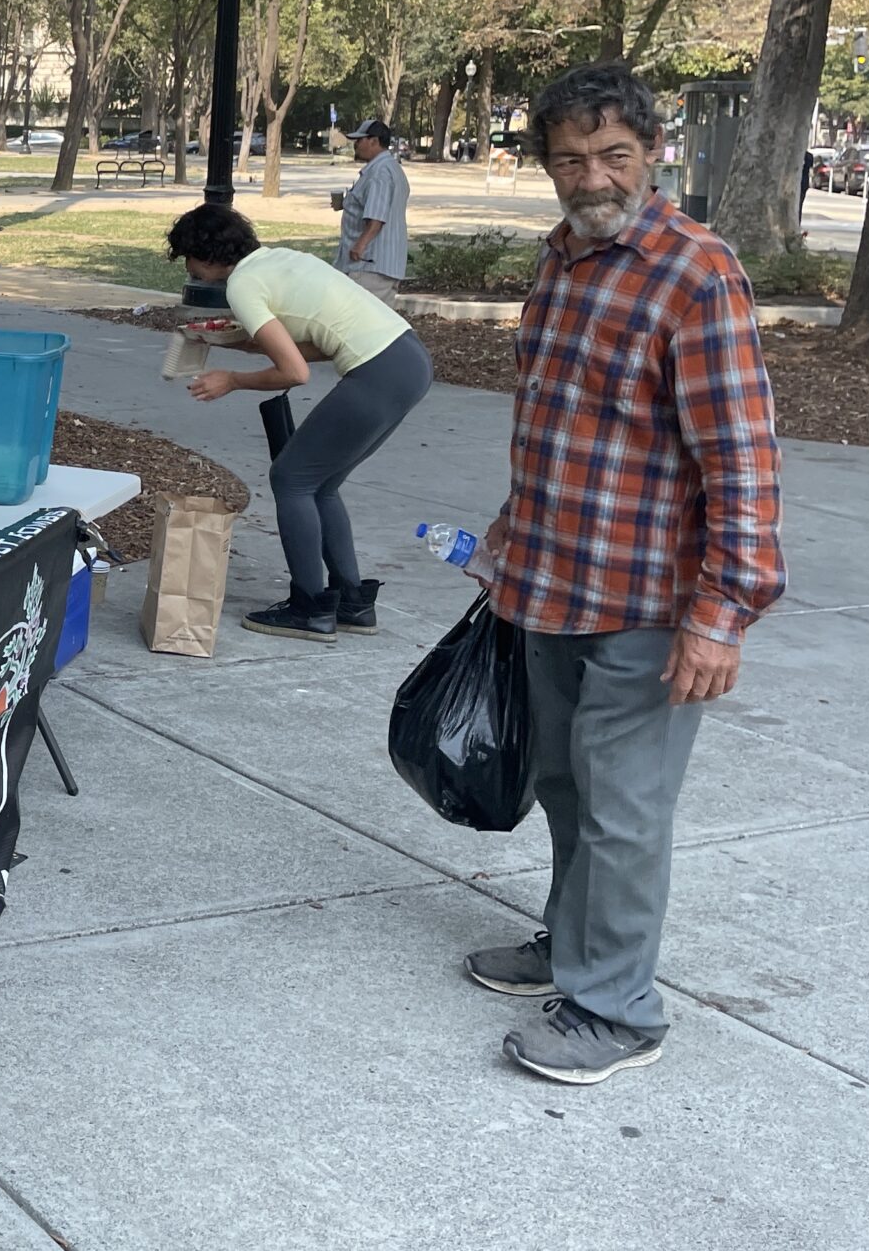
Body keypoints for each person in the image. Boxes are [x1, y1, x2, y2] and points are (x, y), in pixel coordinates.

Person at [456, 65, 783, 1086]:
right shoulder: (562, 260)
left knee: (624, 805)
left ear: (652, 153)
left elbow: (739, 452)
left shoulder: (695, 272)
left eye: (611, 155)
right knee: (563, 784)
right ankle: (570, 946)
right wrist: (509, 531)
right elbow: (557, 414)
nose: (588, 176)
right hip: (553, 581)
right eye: (566, 158)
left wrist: (722, 611)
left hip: (648, 601)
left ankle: (615, 1008)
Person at [167, 205, 433, 641]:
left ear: (205, 254)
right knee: (321, 484)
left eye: (188, 258)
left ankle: (309, 609)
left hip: (379, 371)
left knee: (290, 480)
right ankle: (351, 603)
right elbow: (320, 344)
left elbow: (294, 372)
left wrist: (231, 380)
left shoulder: (243, 286)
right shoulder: (280, 259)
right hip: (408, 360)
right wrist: (234, 344)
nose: (190, 268)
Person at [334, 118, 410, 297]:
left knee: (359, 320)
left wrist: (360, 245)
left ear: (374, 141)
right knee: (381, 322)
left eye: (359, 140)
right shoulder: (391, 168)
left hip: (368, 265)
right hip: (384, 264)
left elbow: (377, 216)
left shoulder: (379, 173)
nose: (356, 145)